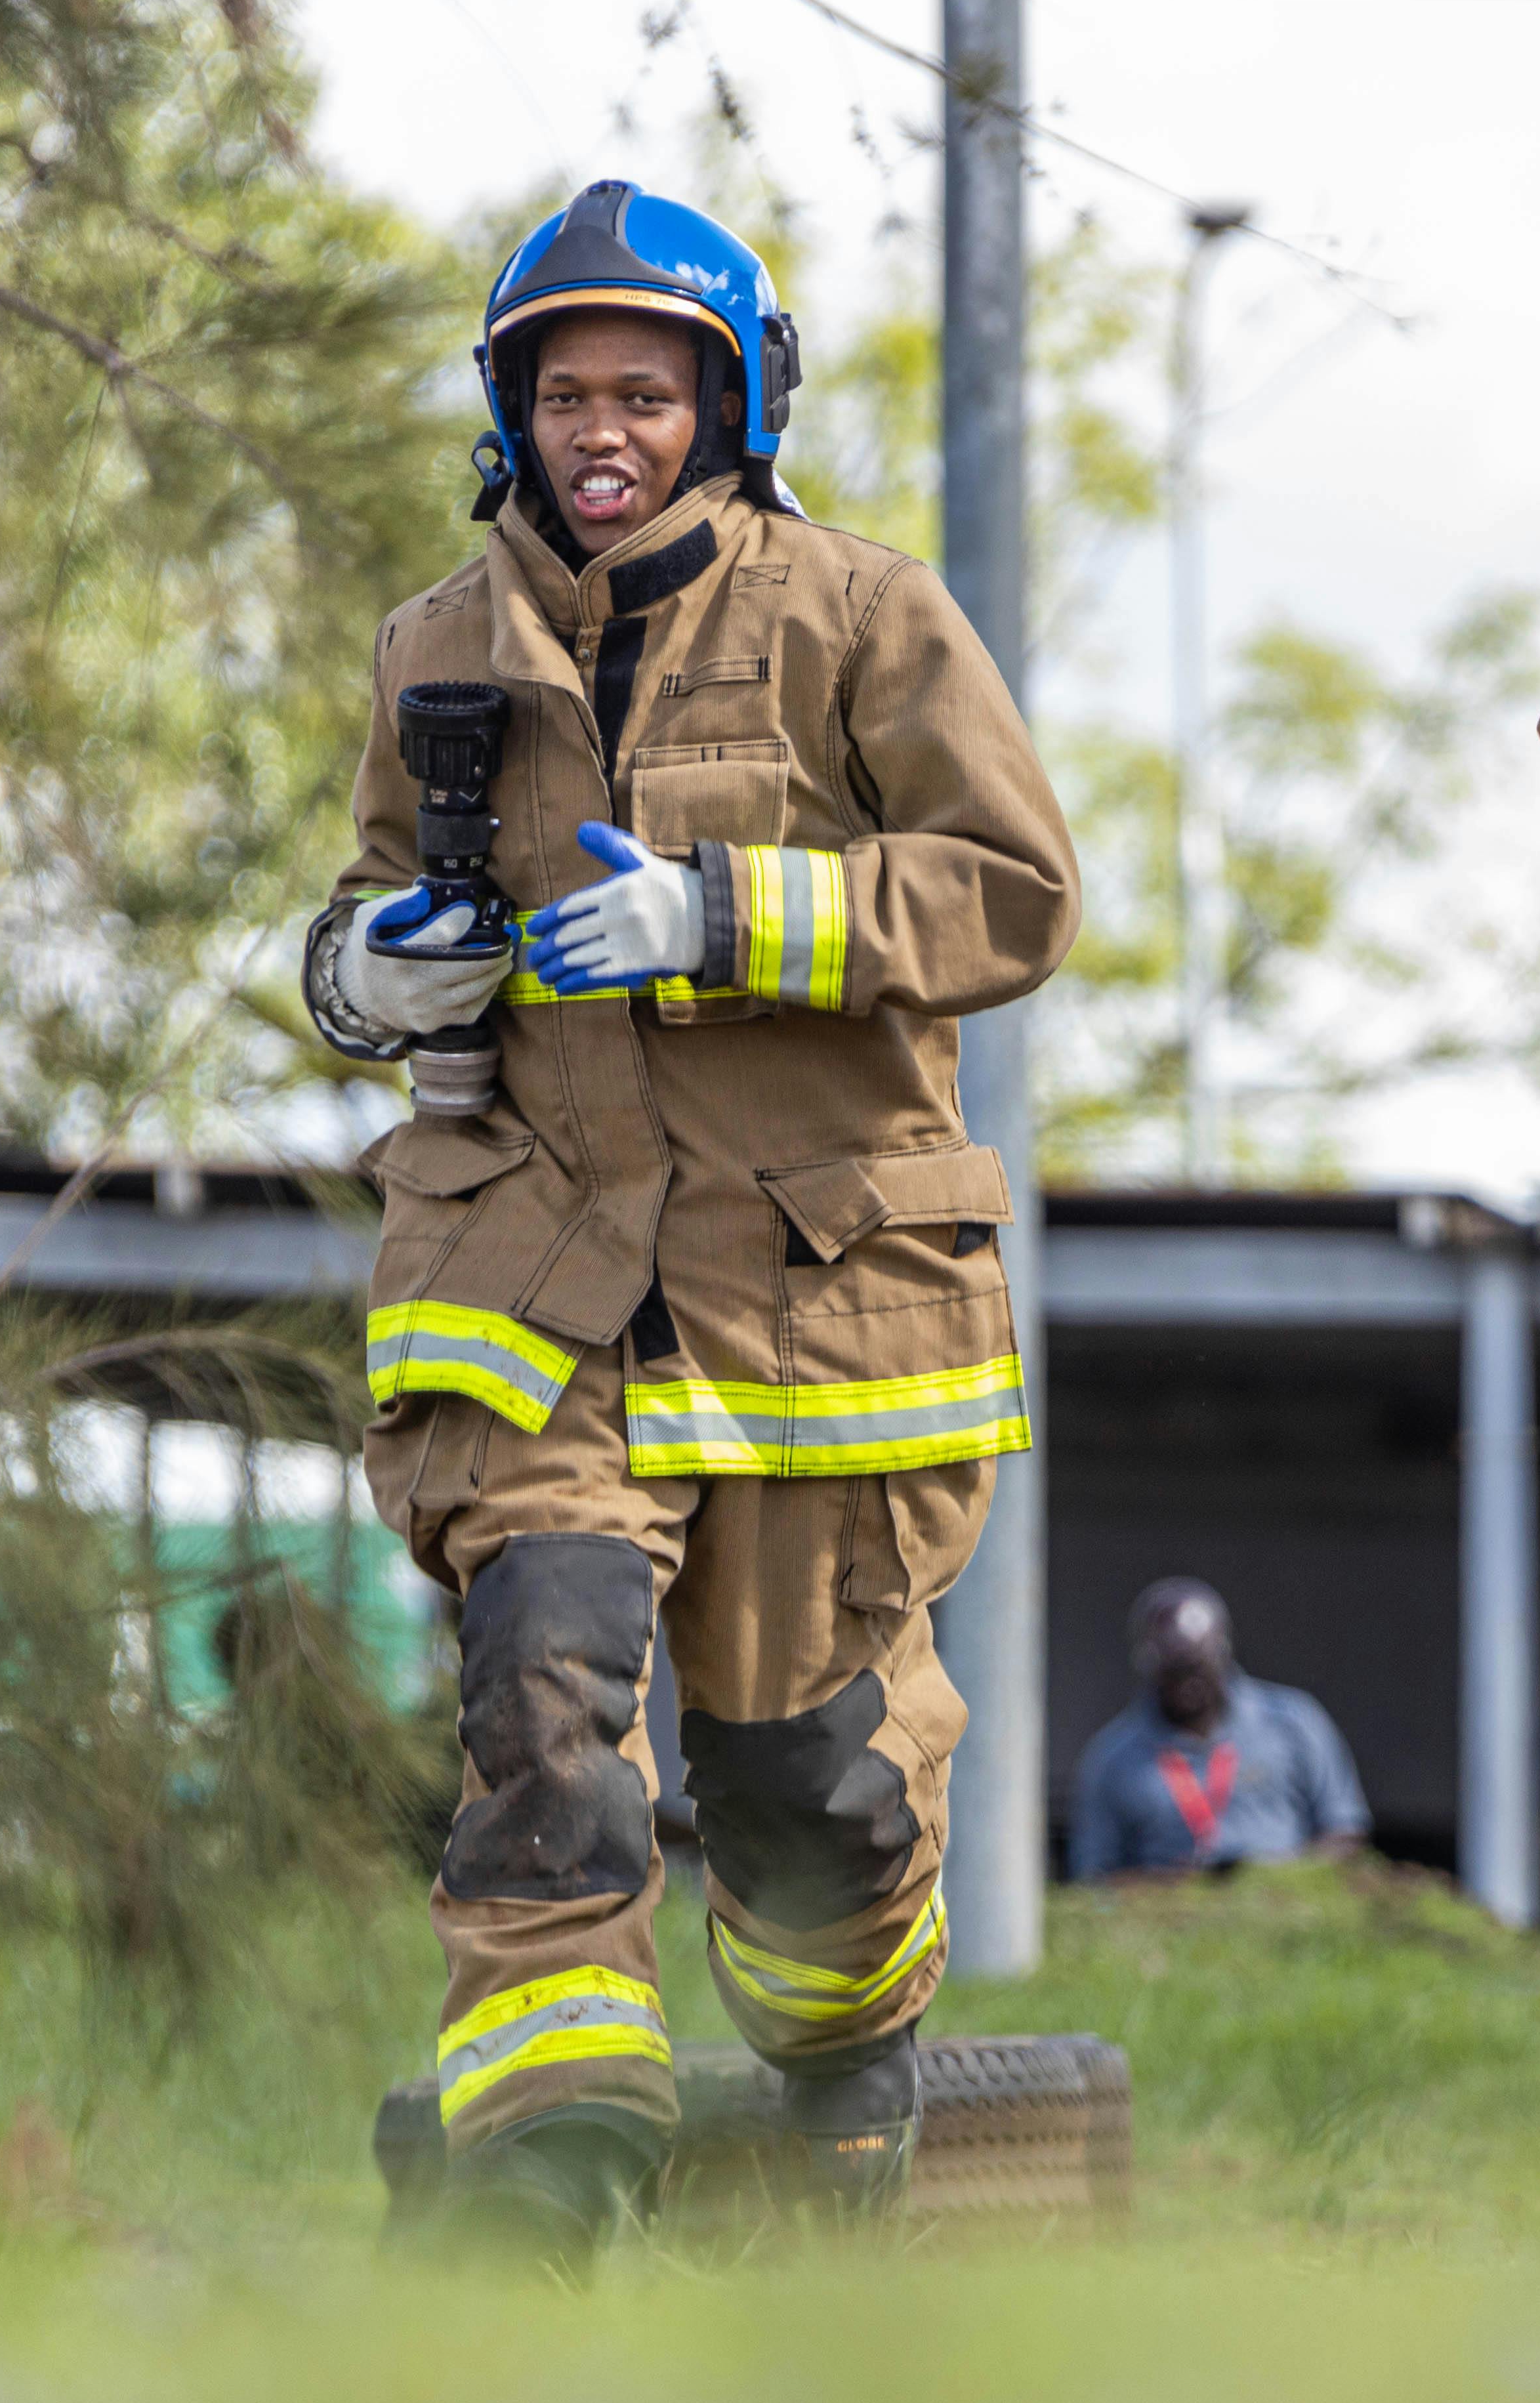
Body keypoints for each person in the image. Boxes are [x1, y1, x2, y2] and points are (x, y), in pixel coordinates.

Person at [304, 179, 1076, 2264]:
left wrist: (734, 914)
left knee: (804, 1797)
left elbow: (1015, 894)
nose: (603, 430)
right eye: (567, 394)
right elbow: (365, 906)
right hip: (534, 1280)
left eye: (647, 390)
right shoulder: (431, 652)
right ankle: (545, 2180)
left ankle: (844, 2090)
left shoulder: (860, 613)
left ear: (724, 406)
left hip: (812, 1306)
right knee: (537, 1699)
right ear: (514, 412)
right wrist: (366, 976)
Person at [1068, 1578, 1370, 1877]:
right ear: (1145, 1664)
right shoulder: (1111, 1759)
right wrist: (1172, 1891)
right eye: (1175, 1672)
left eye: (1197, 1668)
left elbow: (1346, 1833)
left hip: (1286, 1911)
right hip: (1172, 1917)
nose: (1188, 1685)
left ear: (1224, 1652)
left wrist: (1272, 1878)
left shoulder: (1294, 1723)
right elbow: (1094, 1880)